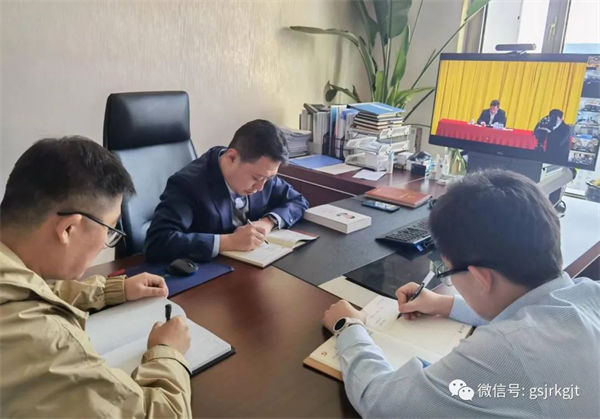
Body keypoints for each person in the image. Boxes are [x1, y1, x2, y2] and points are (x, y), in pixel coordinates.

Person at [322, 169, 599, 417]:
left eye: (448, 271)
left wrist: (349, 327)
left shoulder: (505, 351)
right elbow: (520, 309)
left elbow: (383, 405)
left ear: (481, 277)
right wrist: (442, 304)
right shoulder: (589, 293)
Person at [0, 137, 192, 417]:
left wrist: (113, 290)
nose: (106, 242)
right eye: (110, 229)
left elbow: (29, 287)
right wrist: (167, 351)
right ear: (68, 229)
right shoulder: (43, 340)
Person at [145, 119, 309, 262]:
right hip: (207, 275)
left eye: (270, 178)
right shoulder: (188, 184)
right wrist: (229, 242)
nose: (261, 187)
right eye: (256, 178)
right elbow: (158, 241)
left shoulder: (263, 174)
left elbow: (298, 201)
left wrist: (267, 222)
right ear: (231, 157)